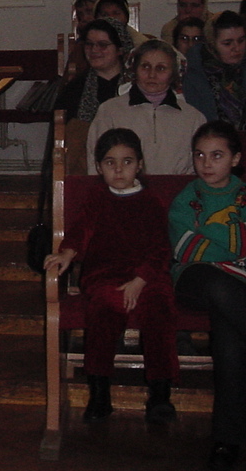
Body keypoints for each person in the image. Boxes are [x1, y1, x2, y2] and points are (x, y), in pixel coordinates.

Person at [44, 128, 178, 424]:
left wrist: (140, 280)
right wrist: (67, 253)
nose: (118, 170)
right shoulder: (97, 197)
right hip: (105, 274)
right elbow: (82, 229)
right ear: (99, 167)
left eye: (127, 162)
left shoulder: (151, 201)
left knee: (159, 309)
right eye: (110, 162)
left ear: (139, 165)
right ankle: (99, 392)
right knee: (104, 310)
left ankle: (160, 393)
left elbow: (160, 247)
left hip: (147, 276)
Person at [168, 121, 246, 471]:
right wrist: (231, 252)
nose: (206, 163)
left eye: (217, 155)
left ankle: (227, 440)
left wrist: (220, 248)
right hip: (194, 279)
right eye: (200, 155)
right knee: (220, 288)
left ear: (235, 159)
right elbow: (187, 248)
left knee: (229, 330)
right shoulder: (187, 199)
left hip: (236, 288)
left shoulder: (243, 196)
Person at [87, 39, 205, 175]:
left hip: (180, 188)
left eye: (161, 68)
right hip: (122, 187)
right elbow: (95, 162)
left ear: (173, 73)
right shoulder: (110, 111)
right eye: (145, 67)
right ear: (135, 70)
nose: (152, 75)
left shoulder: (193, 118)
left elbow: (199, 168)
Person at [54, 18, 134, 174]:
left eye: (102, 45)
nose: (94, 50)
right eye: (89, 44)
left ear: (120, 49)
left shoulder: (135, 87)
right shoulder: (74, 90)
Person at [183, 10, 246, 130]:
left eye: (241, 41)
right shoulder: (195, 74)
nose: (237, 48)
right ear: (212, 45)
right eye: (227, 43)